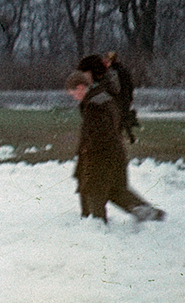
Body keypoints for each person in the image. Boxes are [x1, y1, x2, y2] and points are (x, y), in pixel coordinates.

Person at [66, 67, 165, 225]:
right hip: (116, 154)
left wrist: (87, 153)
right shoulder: (103, 98)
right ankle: (148, 213)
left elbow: (99, 135)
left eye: (73, 94)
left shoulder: (95, 104)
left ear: (80, 87)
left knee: (93, 190)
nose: (74, 98)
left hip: (102, 157)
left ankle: (95, 225)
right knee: (116, 190)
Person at [77, 52, 139, 143]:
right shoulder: (119, 72)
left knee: (117, 125)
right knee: (121, 123)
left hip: (118, 101)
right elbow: (129, 86)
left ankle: (126, 137)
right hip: (122, 101)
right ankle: (128, 137)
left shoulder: (111, 76)